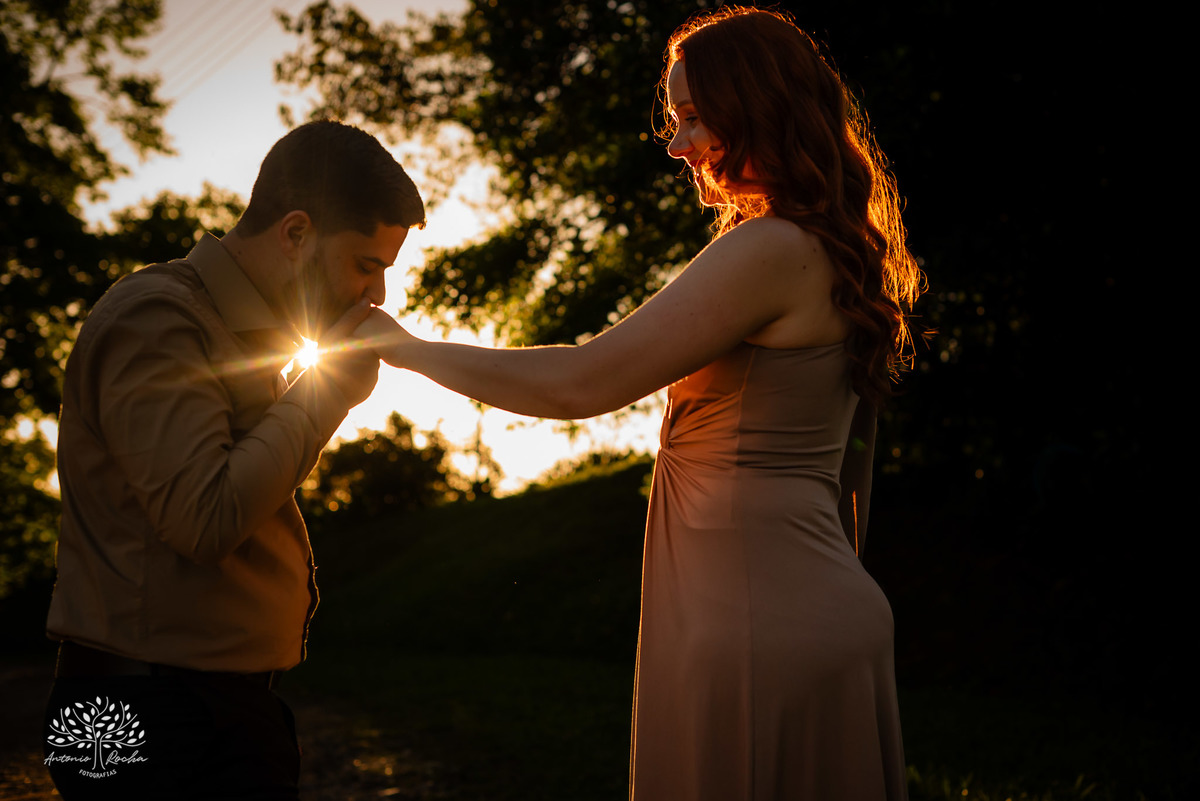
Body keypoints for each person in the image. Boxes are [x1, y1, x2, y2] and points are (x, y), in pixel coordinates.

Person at [357, 6, 920, 799]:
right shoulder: (836, 253)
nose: (675, 141)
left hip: (754, 625)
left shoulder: (769, 247)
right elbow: (852, 479)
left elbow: (582, 379)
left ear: (756, 103)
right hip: (818, 613)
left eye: (692, 116)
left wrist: (397, 346)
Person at [42, 120, 425, 800]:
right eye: (366, 264)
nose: (377, 297)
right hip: (146, 714)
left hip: (199, 707)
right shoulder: (157, 319)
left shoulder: (232, 328)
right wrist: (329, 389)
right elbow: (204, 517)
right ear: (296, 233)